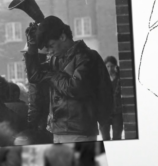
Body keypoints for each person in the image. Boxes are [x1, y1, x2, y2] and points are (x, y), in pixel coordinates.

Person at [24, 15, 114, 143]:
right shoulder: (57, 59)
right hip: (60, 130)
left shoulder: (87, 56)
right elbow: (34, 76)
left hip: (79, 131)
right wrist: (32, 48)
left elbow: (75, 87)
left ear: (62, 36)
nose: (49, 51)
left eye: (51, 45)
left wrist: (51, 75)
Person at [100, 56, 123, 140]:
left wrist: (119, 71)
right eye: (107, 66)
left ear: (115, 66)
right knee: (105, 137)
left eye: (112, 66)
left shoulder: (119, 78)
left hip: (117, 111)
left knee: (117, 136)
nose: (110, 69)